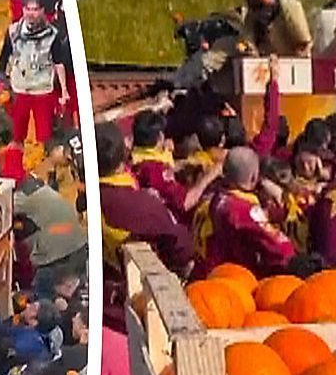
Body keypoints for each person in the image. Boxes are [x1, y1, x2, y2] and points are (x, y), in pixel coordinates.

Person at [96, 121, 194, 330]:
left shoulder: (77, 195)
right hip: (127, 315)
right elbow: (181, 249)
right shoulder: (140, 205)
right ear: (125, 154)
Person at [191, 146, 296, 276]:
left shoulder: (210, 197)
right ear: (254, 178)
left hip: (200, 273)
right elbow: (282, 250)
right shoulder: (243, 211)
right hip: (225, 281)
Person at [0, 0, 70, 145]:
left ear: (42, 10)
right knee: (16, 136)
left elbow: (59, 63)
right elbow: (4, 59)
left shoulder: (52, 35)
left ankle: (43, 165)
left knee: (45, 137)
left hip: (42, 90)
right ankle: (17, 165)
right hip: (19, 88)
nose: (31, 13)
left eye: (35, 9)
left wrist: (64, 90)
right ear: (23, 10)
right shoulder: (13, 32)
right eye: (28, 9)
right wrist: (1, 83)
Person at [238, 0, 311, 57]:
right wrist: (247, 49)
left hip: (292, 59)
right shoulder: (252, 16)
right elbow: (244, 43)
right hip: (266, 61)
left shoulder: (290, 9)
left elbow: (304, 44)